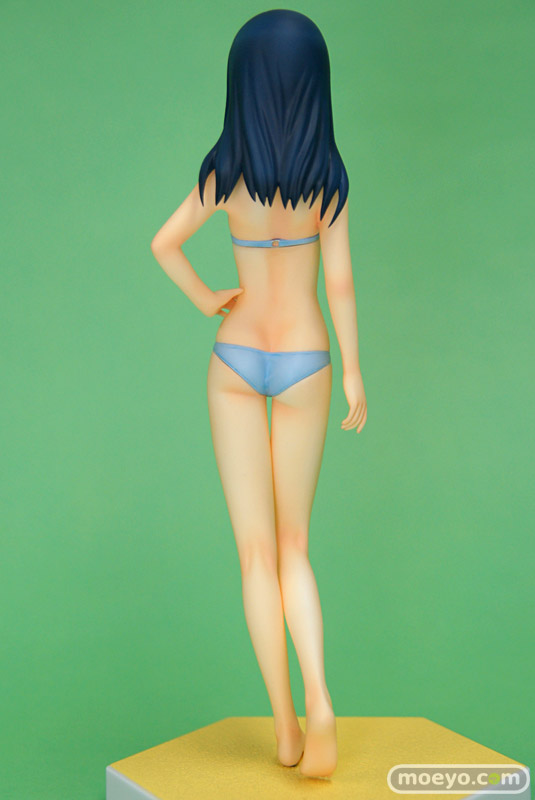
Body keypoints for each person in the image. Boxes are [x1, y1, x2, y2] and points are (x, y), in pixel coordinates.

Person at [150, 9, 367, 779]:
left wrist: (206, 296)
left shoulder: (223, 174)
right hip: (307, 358)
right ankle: (320, 696)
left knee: (254, 555)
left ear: (240, 84)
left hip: (236, 358)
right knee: (295, 546)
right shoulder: (327, 181)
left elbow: (162, 243)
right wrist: (354, 371)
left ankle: (284, 730)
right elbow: (338, 282)